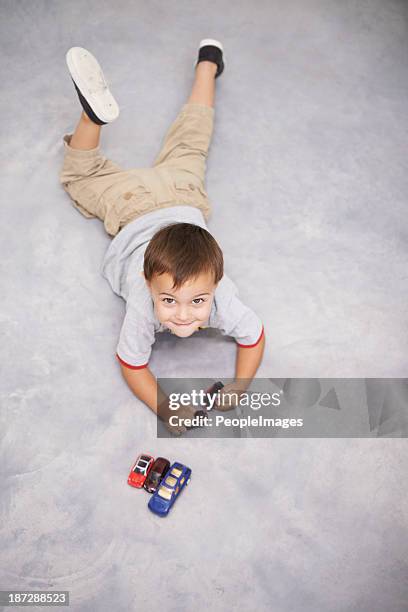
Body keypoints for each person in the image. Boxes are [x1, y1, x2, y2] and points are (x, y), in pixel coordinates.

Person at [59, 40, 265, 435]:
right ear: (147, 284)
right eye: (168, 300)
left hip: (178, 195)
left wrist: (240, 387)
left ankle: (94, 117)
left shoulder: (212, 296)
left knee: (190, 144)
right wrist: (167, 409)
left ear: (216, 287)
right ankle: (209, 61)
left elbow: (255, 337)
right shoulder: (147, 304)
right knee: (86, 174)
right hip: (139, 204)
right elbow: (132, 364)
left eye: (197, 301)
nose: (183, 314)